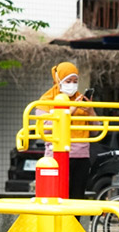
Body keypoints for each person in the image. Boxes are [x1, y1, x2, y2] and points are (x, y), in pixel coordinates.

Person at [38, 62, 91, 200]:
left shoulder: (80, 99)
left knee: (77, 199)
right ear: (58, 80)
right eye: (68, 81)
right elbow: (46, 129)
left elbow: (95, 129)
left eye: (75, 81)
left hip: (81, 155)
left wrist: (90, 110)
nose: (72, 85)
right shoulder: (46, 101)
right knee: (56, 197)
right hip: (56, 155)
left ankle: (74, 222)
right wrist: (70, 110)